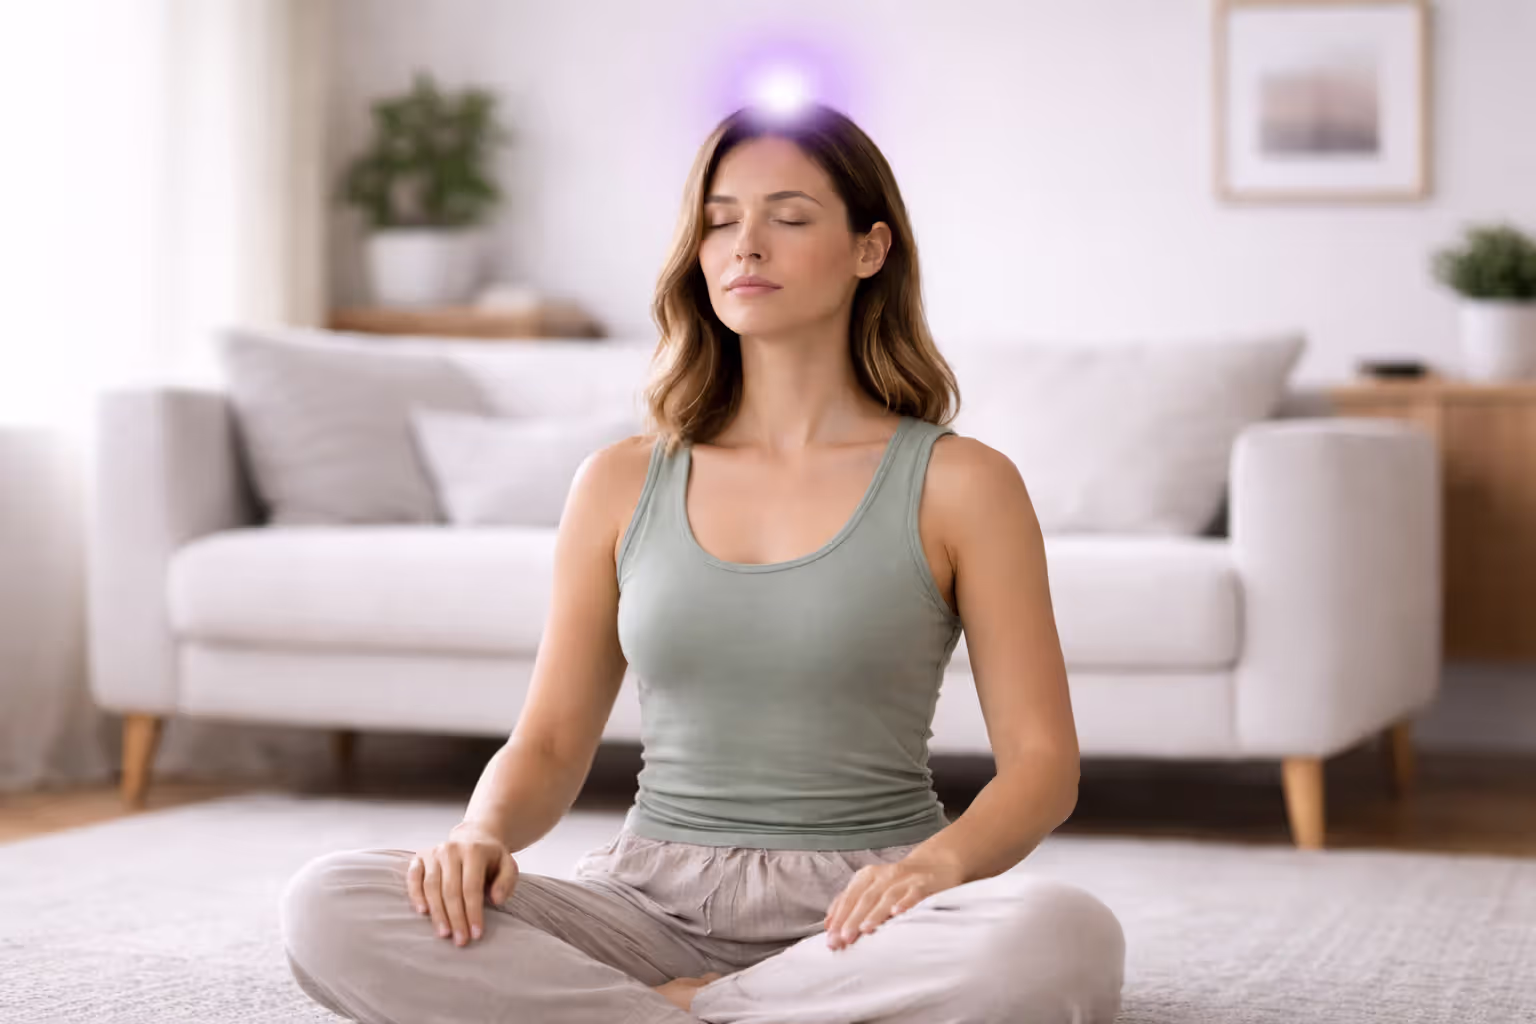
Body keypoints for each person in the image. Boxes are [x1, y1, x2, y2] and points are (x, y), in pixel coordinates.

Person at [279, 101, 1125, 1023]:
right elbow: (553, 743)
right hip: (646, 901)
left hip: (875, 908)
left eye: (789, 217)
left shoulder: (963, 484)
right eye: (720, 220)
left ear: (869, 250)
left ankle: (680, 1009)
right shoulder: (617, 481)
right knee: (333, 902)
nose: (745, 245)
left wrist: (935, 868)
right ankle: (746, 1008)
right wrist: (478, 834)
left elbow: (1043, 764)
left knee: (1063, 940)